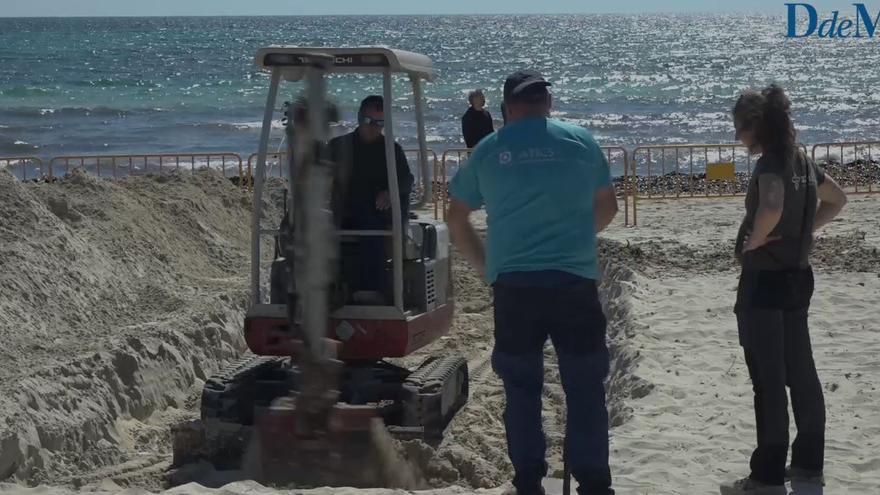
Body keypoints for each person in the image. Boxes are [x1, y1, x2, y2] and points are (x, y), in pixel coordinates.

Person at [446, 70, 619, 495]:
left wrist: (486, 266)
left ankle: (529, 482)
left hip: (515, 287)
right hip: (574, 282)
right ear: (548, 104)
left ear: (506, 109)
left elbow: (456, 216)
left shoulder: (489, 150)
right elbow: (609, 208)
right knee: (584, 387)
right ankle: (595, 483)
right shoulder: (580, 141)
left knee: (522, 389)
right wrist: (574, 237)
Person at [720, 85, 847, 495]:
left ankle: (767, 476)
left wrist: (756, 237)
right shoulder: (803, 160)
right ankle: (809, 466)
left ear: (755, 126)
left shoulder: (772, 163)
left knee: (769, 380)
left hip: (765, 282)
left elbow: (772, 204)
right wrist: (804, 230)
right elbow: (839, 199)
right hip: (799, 277)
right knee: (802, 373)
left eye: (739, 129)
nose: (738, 137)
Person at [329, 95, 414, 297]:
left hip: (376, 212)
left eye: (379, 123)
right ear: (359, 118)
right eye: (368, 121)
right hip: (343, 208)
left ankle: (371, 290)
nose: (373, 127)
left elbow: (407, 180)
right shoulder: (338, 146)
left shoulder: (391, 150)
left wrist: (390, 191)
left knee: (372, 229)